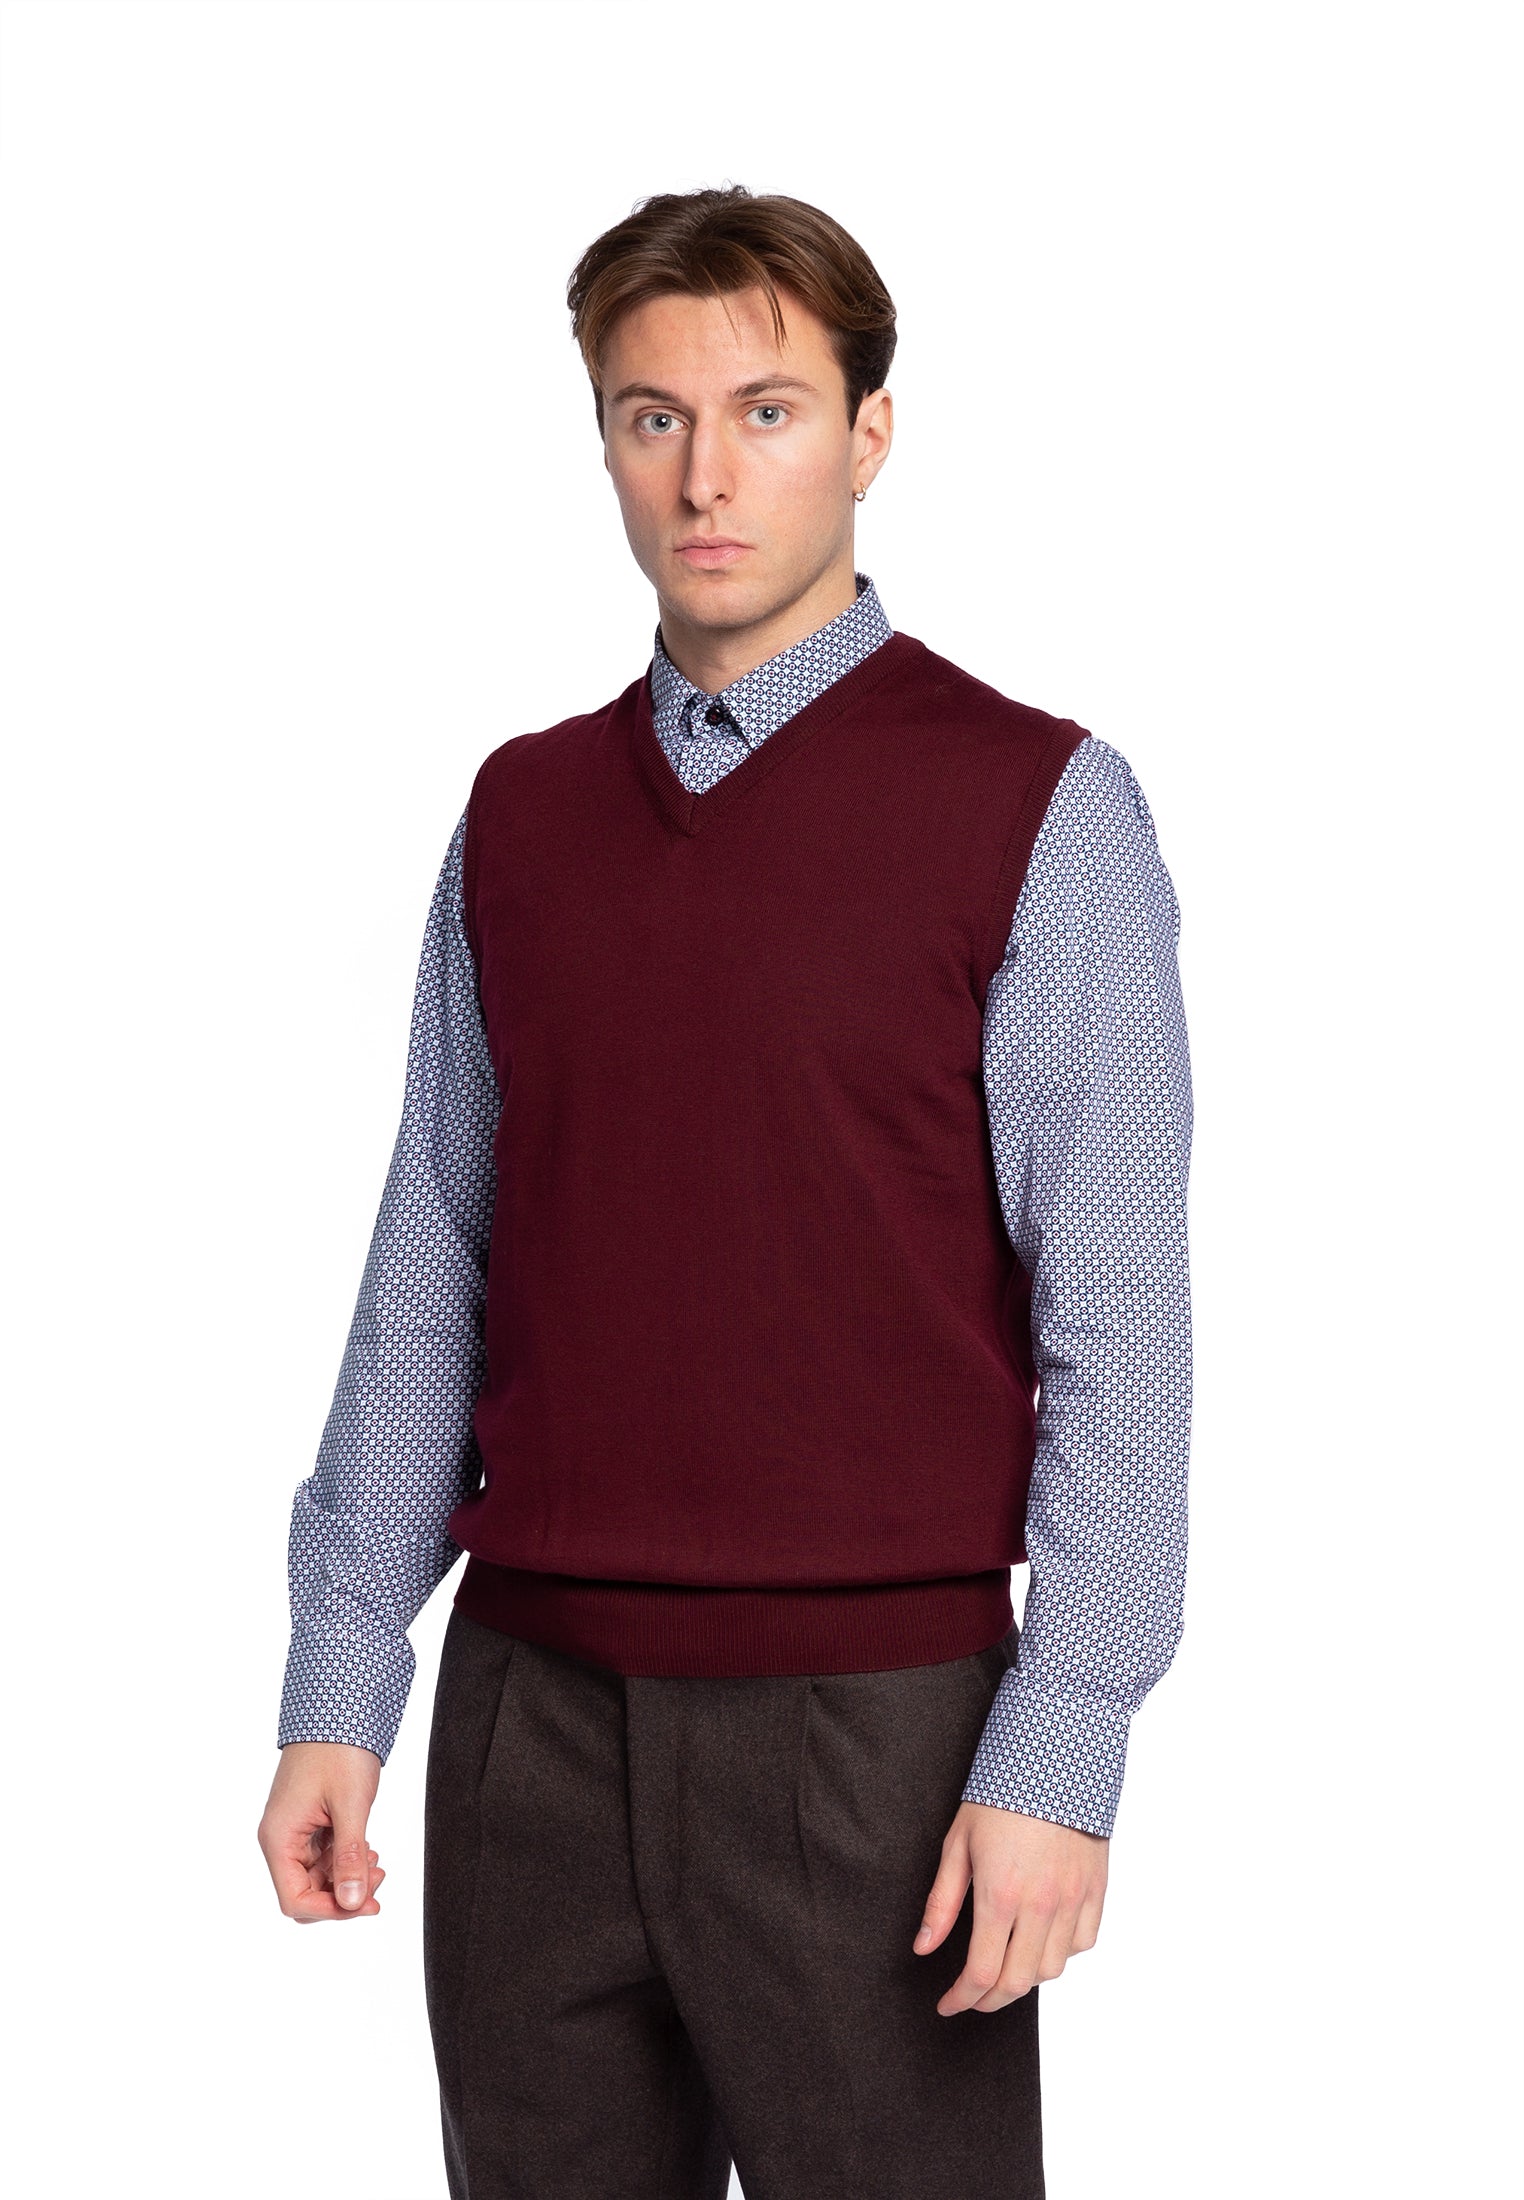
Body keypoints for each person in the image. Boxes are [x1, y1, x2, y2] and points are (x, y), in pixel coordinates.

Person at [257, 184, 1193, 2200]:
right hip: (530, 1718)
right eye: (651, 416)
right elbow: (437, 1258)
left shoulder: (1038, 807)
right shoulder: (521, 813)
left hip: (877, 1735)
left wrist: (1064, 1744)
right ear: (601, 437)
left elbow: (1115, 1318)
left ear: (869, 432)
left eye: (767, 412)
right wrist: (343, 1680)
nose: (705, 475)